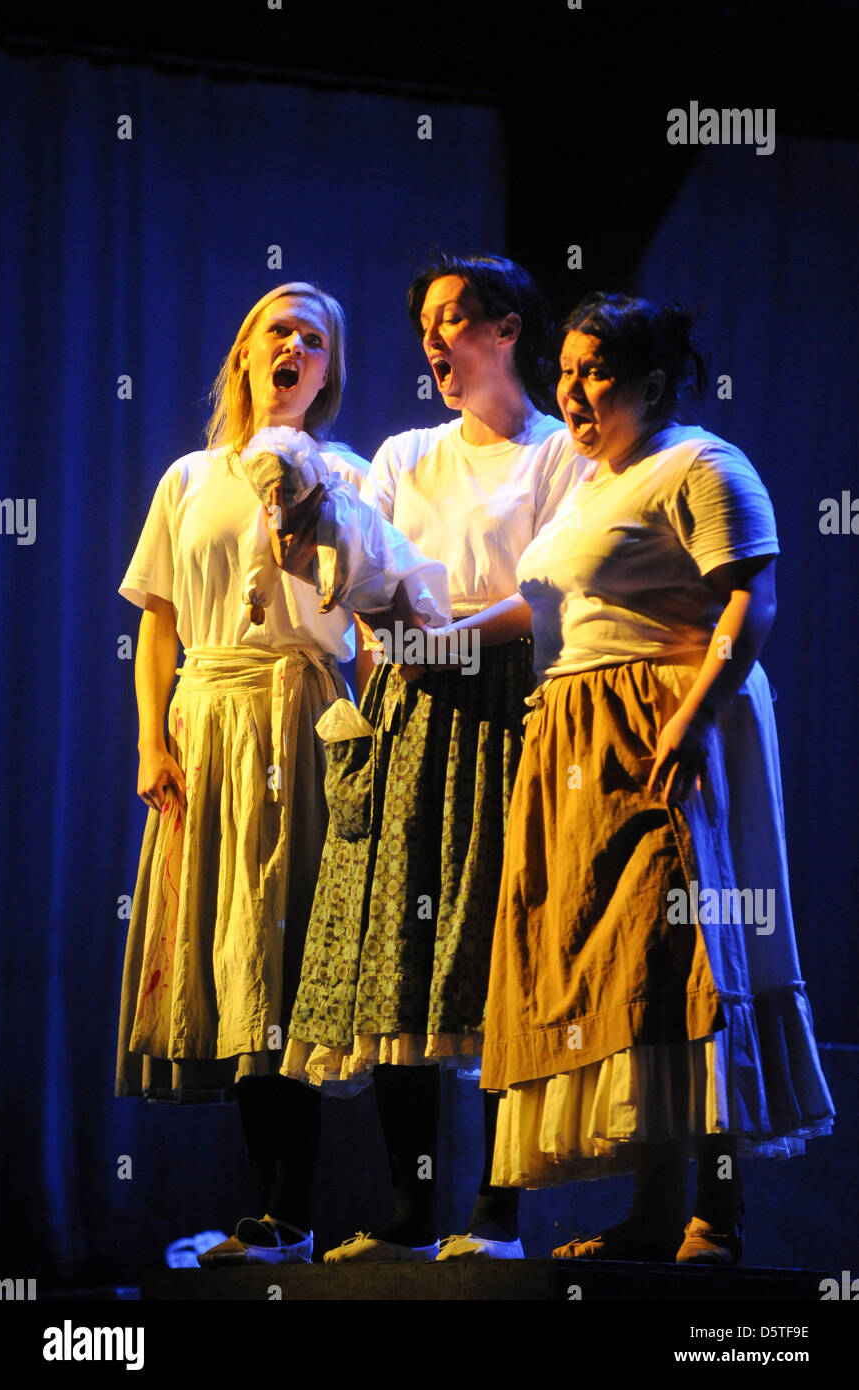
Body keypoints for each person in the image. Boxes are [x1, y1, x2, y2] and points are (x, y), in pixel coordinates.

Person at [480, 292, 835, 1263]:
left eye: (594, 372)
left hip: (658, 728)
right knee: (629, 973)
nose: (573, 392)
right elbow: (547, 605)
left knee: (686, 956)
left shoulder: (701, 464)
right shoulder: (589, 485)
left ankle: (712, 1217)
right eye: (564, 374)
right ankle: (648, 1210)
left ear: (652, 381)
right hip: (574, 740)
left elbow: (748, 600)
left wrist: (683, 724)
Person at [282, 253, 585, 1262]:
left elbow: (544, 597)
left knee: (500, 953)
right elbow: (367, 570)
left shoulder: (556, 456)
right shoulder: (406, 453)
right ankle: (414, 1209)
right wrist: (392, 639)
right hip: (410, 706)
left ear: (506, 330)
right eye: (426, 322)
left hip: (510, 709)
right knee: (398, 958)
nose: (435, 338)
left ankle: (499, 1212)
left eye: (455, 317)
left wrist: (445, 637)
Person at [115, 281, 370, 1266]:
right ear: (244, 353)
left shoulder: (347, 473)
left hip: (300, 718)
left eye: (313, 337)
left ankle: (288, 1211)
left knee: (285, 956)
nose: (294, 346)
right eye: (279, 329)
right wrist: (151, 741)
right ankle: (264, 1211)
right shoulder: (190, 476)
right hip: (208, 719)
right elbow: (160, 620)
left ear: (327, 369)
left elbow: (372, 604)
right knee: (223, 955)